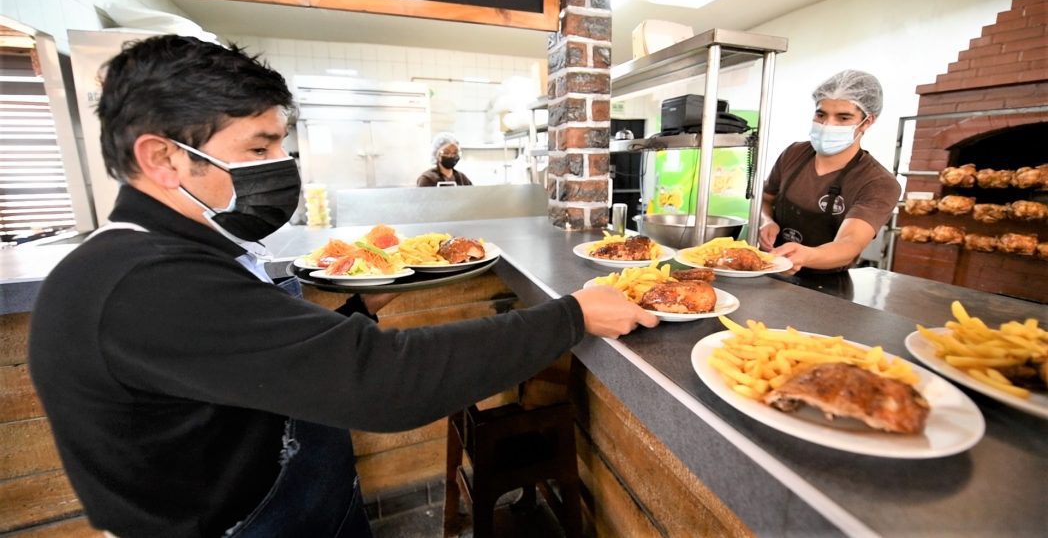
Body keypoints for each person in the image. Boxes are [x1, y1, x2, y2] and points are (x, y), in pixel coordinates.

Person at [27, 35, 657, 538]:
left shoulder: (180, 255)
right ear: (163, 159)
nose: (281, 165)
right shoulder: (142, 285)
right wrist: (571, 316)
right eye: (259, 147)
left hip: (298, 506)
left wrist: (359, 304)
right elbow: (382, 382)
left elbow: (262, 364)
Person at [759, 69, 901, 275]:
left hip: (827, 284)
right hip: (769, 269)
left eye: (843, 118)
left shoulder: (877, 182)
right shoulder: (794, 153)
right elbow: (765, 200)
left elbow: (850, 243)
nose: (828, 125)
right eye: (821, 114)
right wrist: (766, 221)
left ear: (867, 122)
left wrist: (805, 256)